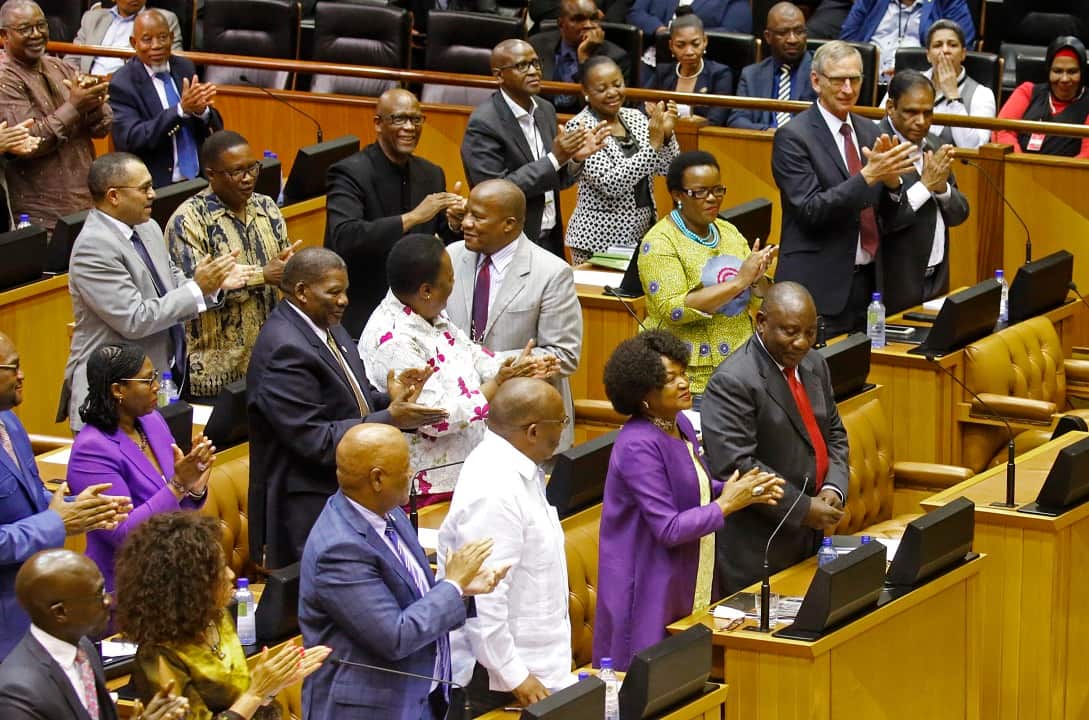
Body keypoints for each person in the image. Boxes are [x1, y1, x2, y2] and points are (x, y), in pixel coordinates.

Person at [246, 247, 448, 569]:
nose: (344, 301)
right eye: (334, 292)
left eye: (345, 291)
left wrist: (393, 399)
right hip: (307, 509)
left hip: (348, 496)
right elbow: (315, 440)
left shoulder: (329, 326)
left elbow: (354, 399)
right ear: (302, 291)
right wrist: (390, 418)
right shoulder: (283, 348)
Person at [593, 330, 783, 670]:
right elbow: (668, 528)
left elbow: (691, 485)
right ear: (643, 393)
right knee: (654, 681)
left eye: (683, 373)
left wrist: (739, 489)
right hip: (645, 583)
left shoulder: (676, 422)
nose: (684, 383)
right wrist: (727, 504)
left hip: (683, 572)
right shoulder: (637, 444)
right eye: (670, 379)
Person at [301, 424, 508, 720]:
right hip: (371, 711)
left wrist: (461, 589)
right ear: (377, 479)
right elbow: (395, 636)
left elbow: (413, 599)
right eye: (405, 466)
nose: (411, 472)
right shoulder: (339, 549)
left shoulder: (389, 512)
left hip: (419, 699)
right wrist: (452, 585)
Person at [63, 152, 239, 430]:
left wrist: (213, 284)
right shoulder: (93, 247)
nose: (153, 194)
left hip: (155, 384)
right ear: (113, 196)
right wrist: (197, 288)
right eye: (144, 188)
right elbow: (134, 319)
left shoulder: (149, 228)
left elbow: (172, 280)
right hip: (112, 397)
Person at [359, 235, 539, 504]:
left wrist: (511, 368)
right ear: (426, 290)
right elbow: (435, 418)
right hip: (433, 483)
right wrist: (497, 384)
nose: (454, 284)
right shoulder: (394, 339)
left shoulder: (426, 309)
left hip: (468, 467)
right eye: (450, 279)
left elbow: (469, 352)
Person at [701, 282, 849, 593]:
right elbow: (738, 465)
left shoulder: (814, 364)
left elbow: (833, 432)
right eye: (790, 332)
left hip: (811, 536)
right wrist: (802, 508)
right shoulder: (733, 381)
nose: (802, 342)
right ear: (761, 322)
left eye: (810, 332)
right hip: (760, 544)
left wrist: (834, 486)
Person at [115, 513, 332, 720]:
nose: (230, 574)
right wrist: (256, 692)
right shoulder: (159, 656)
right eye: (218, 570)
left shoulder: (217, 618)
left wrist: (272, 687)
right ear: (188, 586)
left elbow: (243, 700)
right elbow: (246, 699)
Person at [438, 378, 572, 714]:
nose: (564, 428)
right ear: (533, 431)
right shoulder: (494, 487)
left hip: (535, 666)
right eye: (561, 421)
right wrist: (516, 675)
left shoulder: (518, 468)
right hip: (498, 681)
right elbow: (484, 597)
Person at [771, 40, 917, 336]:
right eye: (839, 80)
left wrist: (892, 185)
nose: (848, 89)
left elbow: (894, 218)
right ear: (816, 81)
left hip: (869, 287)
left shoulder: (870, 130)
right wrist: (868, 176)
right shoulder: (793, 137)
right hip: (817, 290)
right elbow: (811, 210)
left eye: (855, 79)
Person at [0, 333, 130, 660]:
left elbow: (32, 497)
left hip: (41, 608)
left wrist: (83, 509)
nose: (22, 375)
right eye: (13, 367)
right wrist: (56, 523)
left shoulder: (9, 423)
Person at [65, 343, 215, 592]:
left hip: (174, 573)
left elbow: (176, 506)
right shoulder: (91, 451)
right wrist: (179, 485)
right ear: (118, 390)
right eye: (147, 381)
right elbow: (123, 535)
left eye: (154, 376)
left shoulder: (151, 421)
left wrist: (194, 488)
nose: (156, 386)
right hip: (127, 586)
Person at [446, 180, 582, 452]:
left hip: (525, 427)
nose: (466, 223)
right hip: (464, 422)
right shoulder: (451, 256)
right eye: (466, 213)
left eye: (478, 217)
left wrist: (492, 365)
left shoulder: (551, 272)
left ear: (508, 224)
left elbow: (564, 354)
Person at [166, 131, 299, 402]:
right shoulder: (188, 221)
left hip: (270, 360)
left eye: (252, 168)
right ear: (211, 174)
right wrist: (262, 275)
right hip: (216, 371)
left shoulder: (267, 207)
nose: (248, 178)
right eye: (237, 171)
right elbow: (192, 293)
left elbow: (282, 266)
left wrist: (291, 270)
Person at [325, 88, 465, 337]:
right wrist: (413, 217)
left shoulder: (432, 174)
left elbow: (447, 240)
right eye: (399, 119)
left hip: (419, 312)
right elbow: (345, 236)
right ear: (378, 124)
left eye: (416, 119)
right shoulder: (350, 172)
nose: (409, 127)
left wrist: (455, 223)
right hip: (364, 308)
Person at [638, 151, 777, 398]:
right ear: (677, 195)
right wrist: (739, 282)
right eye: (700, 192)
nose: (712, 198)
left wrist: (756, 278)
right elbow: (673, 309)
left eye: (717, 190)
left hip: (743, 367)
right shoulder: (660, 243)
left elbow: (760, 299)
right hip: (690, 379)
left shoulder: (729, 231)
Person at [0, 549, 191, 720]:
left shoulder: (83, 649)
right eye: (99, 594)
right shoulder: (17, 694)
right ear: (60, 612)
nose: (108, 601)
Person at [461, 39, 607, 258]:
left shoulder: (545, 110)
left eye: (535, 63)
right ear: (499, 75)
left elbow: (554, 180)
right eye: (522, 66)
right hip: (509, 242)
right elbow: (494, 194)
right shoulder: (484, 123)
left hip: (550, 238)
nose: (533, 71)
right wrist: (555, 158)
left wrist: (574, 159)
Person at [0, 0, 112, 232]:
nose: (36, 34)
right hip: (41, 211)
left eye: (41, 25)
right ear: (4, 36)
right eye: (25, 29)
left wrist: (96, 104)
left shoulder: (61, 66)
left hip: (87, 199)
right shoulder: (4, 78)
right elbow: (30, 141)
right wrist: (75, 106)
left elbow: (102, 128)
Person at [565, 56, 679, 264]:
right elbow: (610, 184)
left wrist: (666, 136)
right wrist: (653, 147)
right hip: (598, 239)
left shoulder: (635, 117)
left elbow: (667, 169)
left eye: (617, 85)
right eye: (601, 89)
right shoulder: (580, 127)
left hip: (643, 232)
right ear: (586, 92)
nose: (612, 93)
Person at [878, 70, 969, 314]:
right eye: (911, 112)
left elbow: (959, 214)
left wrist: (942, 189)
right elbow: (885, 220)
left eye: (928, 112)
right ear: (890, 107)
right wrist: (925, 186)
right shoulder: (877, 147)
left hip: (937, 279)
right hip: (893, 285)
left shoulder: (935, 144)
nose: (921, 121)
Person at [109, 10, 224, 188]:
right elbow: (130, 140)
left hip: (200, 180)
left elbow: (215, 125)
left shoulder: (184, 67)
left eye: (163, 37)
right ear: (134, 43)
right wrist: (179, 111)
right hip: (157, 186)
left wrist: (202, 111)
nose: (156, 45)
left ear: (172, 37)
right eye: (147, 39)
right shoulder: (123, 83)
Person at [877, 20, 994, 148]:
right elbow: (877, 125)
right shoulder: (905, 83)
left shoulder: (982, 94)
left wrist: (953, 97)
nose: (945, 50)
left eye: (952, 45)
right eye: (937, 45)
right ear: (928, 55)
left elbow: (974, 149)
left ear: (963, 54)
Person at [528, 0, 632, 114]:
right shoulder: (537, 46)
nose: (588, 25)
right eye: (578, 19)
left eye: (593, 19)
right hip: (541, 117)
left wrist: (584, 59)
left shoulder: (615, 58)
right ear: (561, 24)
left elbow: (605, 108)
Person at [995, 36, 1089, 159]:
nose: (1064, 79)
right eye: (1057, 71)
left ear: (1082, 73)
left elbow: (1086, 155)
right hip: (1017, 166)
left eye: (1072, 72)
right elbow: (1003, 131)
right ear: (1048, 71)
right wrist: (1022, 164)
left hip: (1068, 170)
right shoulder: (1027, 92)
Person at [730, 2, 816, 130]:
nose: (792, 39)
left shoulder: (822, 71)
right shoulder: (751, 75)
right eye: (783, 33)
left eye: (799, 32)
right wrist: (769, 132)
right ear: (768, 37)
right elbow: (737, 120)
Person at [838, 0, 975, 78]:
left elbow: (960, 46)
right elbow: (847, 40)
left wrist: (913, 72)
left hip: (919, 84)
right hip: (864, 79)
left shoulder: (947, 2)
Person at [643, 10, 733, 127]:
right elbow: (642, 105)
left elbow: (716, 120)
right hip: (663, 135)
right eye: (680, 45)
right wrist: (648, 108)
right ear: (671, 46)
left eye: (695, 44)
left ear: (705, 41)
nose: (689, 52)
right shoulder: (663, 72)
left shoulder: (720, 74)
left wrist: (675, 120)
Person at [70, 0, 183, 76]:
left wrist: (121, 81)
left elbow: (175, 65)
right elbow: (72, 59)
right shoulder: (92, 18)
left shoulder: (163, 19)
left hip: (131, 89)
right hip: (87, 85)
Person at [628, 0, 753, 60]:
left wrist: (687, 37)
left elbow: (734, 32)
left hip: (704, 65)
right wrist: (660, 30)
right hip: (652, 59)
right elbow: (635, 13)